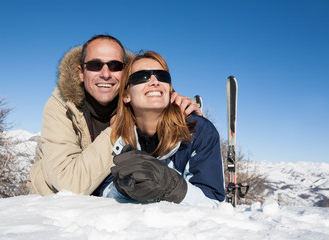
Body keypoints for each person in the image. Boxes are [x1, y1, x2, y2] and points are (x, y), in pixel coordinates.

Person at [28, 35, 202, 195]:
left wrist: (182, 110)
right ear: (81, 73)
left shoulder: (138, 96)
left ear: (126, 72)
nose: (105, 74)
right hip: (53, 204)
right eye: (95, 65)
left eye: (115, 66)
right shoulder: (61, 105)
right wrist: (117, 129)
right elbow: (69, 184)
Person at [99, 51, 225, 206]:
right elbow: (103, 193)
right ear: (126, 95)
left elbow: (214, 203)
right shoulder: (116, 137)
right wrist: (122, 188)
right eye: (141, 77)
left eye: (162, 76)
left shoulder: (199, 131)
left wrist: (171, 186)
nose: (154, 81)